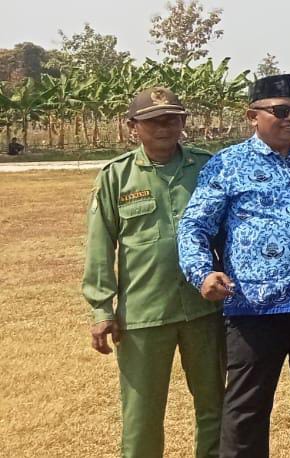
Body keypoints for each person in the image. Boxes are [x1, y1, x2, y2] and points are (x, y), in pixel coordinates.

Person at [177, 74, 290, 457]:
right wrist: (202, 273)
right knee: (248, 405)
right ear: (252, 116)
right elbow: (194, 226)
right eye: (280, 112)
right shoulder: (228, 164)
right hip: (257, 305)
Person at [84, 86, 221, 458]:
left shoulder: (206, 167)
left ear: (183, 122)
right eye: (153, 121)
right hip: (144, 313)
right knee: (142, 415)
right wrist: (101, 309)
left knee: (215, 406)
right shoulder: (116, 176)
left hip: (204, 310)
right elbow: (100, 245)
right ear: (133, 126)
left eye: (172, 119)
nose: (164, 127)